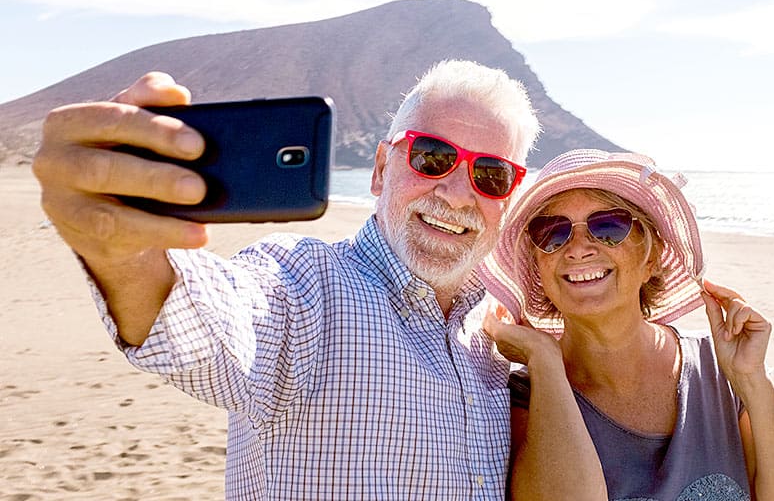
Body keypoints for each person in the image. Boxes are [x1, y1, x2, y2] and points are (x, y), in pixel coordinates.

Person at [32, 60, 541, 500]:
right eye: (433, 157)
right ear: (383, 168)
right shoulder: (306, 286)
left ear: (510, 197)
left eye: (491, 175)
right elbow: (211, 326)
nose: (455, 193)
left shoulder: (497, 333)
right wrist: (125, 249)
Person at [478, 149, 774, 501]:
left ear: (653, 258)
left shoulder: (721, 371)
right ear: (538, 268)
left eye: (608, 227)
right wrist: (544, 359)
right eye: (553, 232)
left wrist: (752, 380)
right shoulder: (527, 394)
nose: (578, 248)